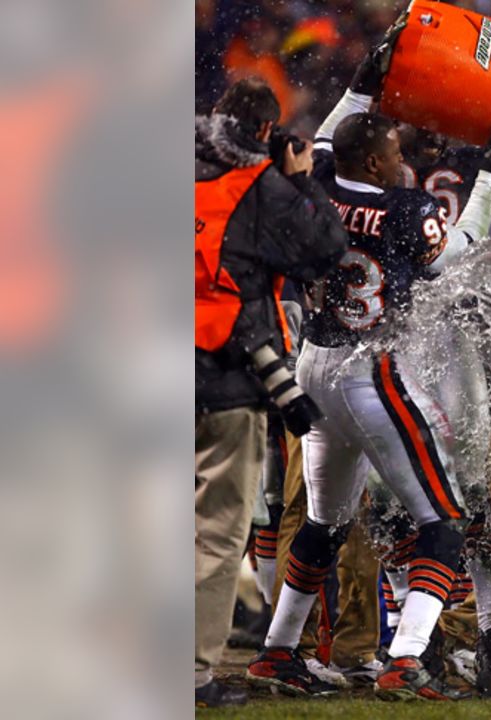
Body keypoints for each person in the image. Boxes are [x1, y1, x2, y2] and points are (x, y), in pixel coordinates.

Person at [243, 25, 491, 700]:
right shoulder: (406, 207)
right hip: (370, 372)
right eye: (392, 149)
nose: (401, 155)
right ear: (372, 163)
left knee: (323, 522)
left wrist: (362, 83)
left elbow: (337, 136)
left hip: (314, 363)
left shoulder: (318, 186)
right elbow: (459, 252)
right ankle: (404, 660)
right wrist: (487, 174)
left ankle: (277, 652)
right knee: (444, 522)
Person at [195, 77, 347, 707]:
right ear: (264, 131)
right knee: (214, 532)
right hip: (222, 371)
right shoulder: (258, 186)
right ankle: (193, 674)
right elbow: (327, 248)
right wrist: (301, 175)